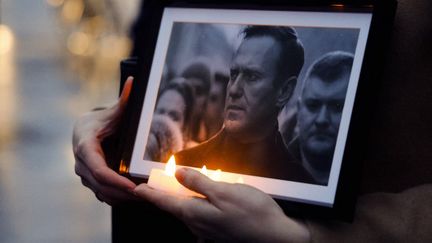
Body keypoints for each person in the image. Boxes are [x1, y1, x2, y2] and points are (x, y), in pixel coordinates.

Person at [174, 25, 314, 182]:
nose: (233, 89)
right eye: (234, 74)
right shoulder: (182, 166)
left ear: (284, 91)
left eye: (252, 77)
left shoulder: (300, 186)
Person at [289, 51, 354, 185]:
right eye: (313, 105)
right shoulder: (267, 171)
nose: (322, 120)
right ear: (299, 110)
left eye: (337, 107)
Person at [145, 80, 195, 162]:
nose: (164, 123)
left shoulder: (193, 158)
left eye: (174, 117)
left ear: (186, 127)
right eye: (160, 113)